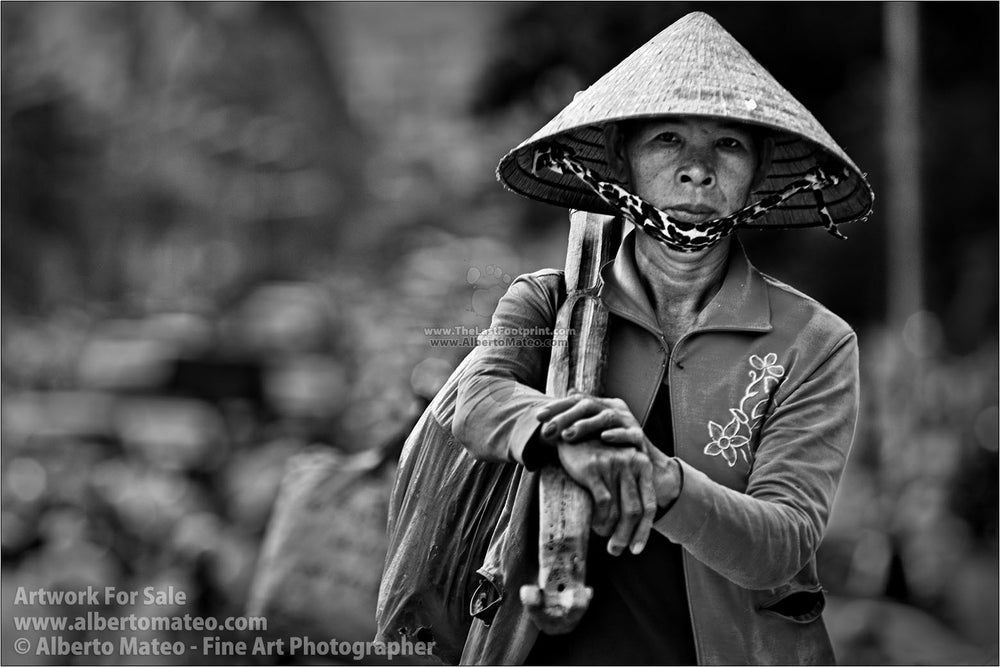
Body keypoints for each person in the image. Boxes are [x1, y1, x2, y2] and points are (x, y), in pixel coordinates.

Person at [451, 11, 874, 666]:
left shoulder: (813, 341)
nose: (697, 169)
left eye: (729, 144)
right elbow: (476, 398)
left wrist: (661, 480)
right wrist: (567, 437)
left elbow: (783, 543)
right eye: (667, 139)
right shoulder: (548, 300)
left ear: (759, 172)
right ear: (623, 164)